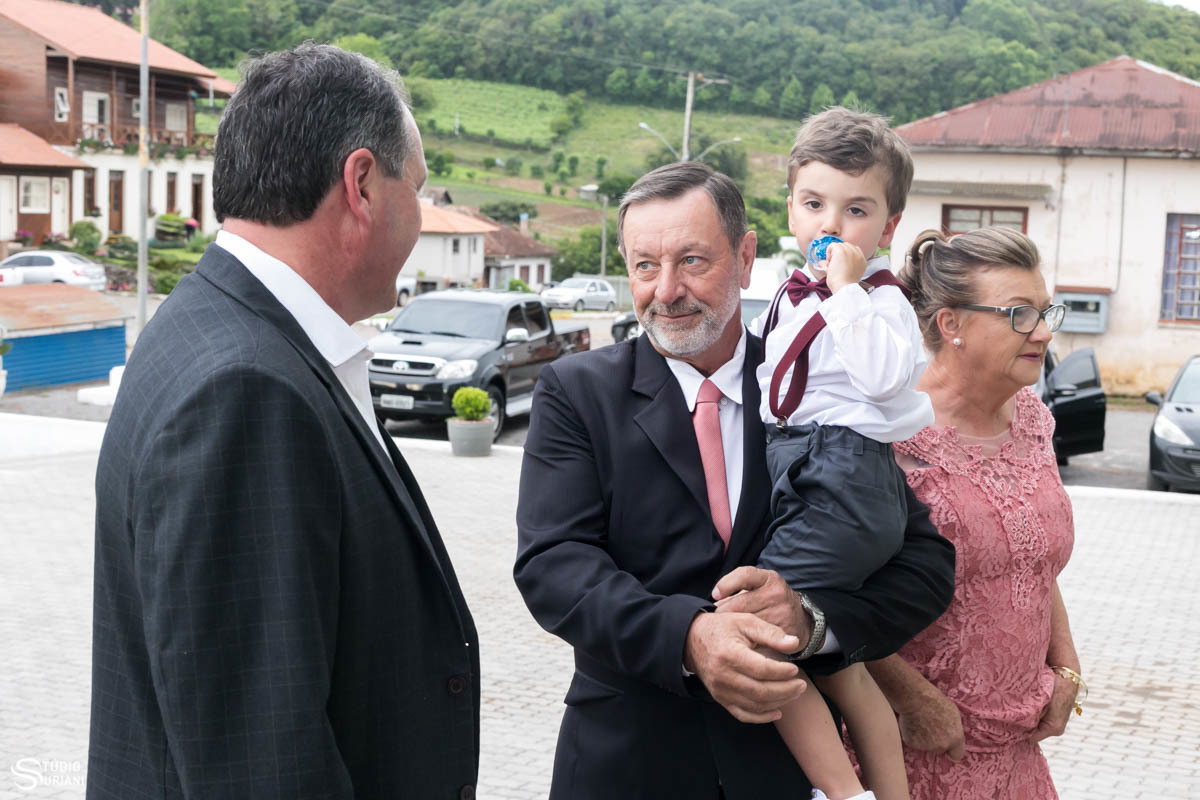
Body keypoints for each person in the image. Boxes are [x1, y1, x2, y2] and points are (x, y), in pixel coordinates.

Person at [88, 45, 480, 799]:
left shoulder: (215, 326)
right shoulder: (244, 389)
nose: (421, 217)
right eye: (418, 189)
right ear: (361, 184)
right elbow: (260, 760)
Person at [513, 161, 956, 800]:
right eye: (644, 266)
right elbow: (554, 565)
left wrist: (812, 622)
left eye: (693, 261)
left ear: (747, 258)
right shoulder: (575, 392)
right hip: (627, 766)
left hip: (775, 777)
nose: (666, 291)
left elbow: (925, 566)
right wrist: (690, 638)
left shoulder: (811, 385)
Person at [736, 108, 933, 800]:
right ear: (789, 205)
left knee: (758, 631)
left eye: (855, 210)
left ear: (887, 227)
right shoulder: (787, 295)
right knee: (837, 665)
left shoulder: (881, 302)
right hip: (802, 468)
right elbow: (768, 385)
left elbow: (884, 379)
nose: (830, 225)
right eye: (814, 204)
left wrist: (847, 290)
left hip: (843, 477)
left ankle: (841, 795)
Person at [862, 227, 1080, 799]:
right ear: (950, 325)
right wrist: (912, 698)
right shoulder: (888, 436)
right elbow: (832, 595)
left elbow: (1031, 557)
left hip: (1018, 750)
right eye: (1018, 314)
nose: (1043, 331)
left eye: (1043, 310)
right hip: (918, 745)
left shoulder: (1033, 419)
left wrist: (1066, 664)